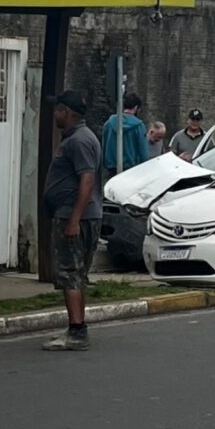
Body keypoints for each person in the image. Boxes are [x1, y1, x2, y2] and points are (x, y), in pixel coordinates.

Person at [42, 90, 103, 351]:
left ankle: (77, 332)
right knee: (77, 274)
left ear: (67, 112)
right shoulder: (79, 138)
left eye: (57, 110)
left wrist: (73, 219)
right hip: (80, 215)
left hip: (75, 216)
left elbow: (87, 180)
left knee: (70, 273)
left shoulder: (79, 141)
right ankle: (76, 326)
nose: (54, 114)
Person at [101, 93, 149, 178]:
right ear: (136, 108)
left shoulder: (108, 124)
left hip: (112, 168)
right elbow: (143, 152)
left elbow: (104, 146)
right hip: (132, 169)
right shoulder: (139, 126)